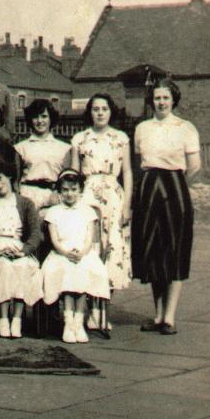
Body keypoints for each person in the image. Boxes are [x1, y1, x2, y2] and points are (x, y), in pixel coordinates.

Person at [132, 78, 201, 336]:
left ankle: (169, 317)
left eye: (165, 98)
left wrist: (175, 185)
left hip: (174, 188)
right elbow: (140, 161)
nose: (161, 102)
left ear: (173, 100)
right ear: (151, 100)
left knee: (174, 250)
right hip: (149, 188)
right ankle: (157, 314)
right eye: (157, 98)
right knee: (152, 251)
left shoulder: (185, 127)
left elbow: (194, 165)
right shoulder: (142, 128)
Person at [71, 93, 133, 331]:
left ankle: (104, 308)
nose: (99, 113)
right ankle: (91, 309)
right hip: (88, 195)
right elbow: (74, 173)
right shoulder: (80, 139)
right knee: (92, 249)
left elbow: (127, 172)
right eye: (95, 109)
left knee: (113, 249)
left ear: (110, 112)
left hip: (114, 197)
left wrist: (127, 205)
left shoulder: (120, 138)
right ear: (90, 112)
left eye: (104, 109)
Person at [0, 158, 43, 338]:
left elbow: (36, 232)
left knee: (22, 266)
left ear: (10, 176)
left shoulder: (26, 203)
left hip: (17, 246)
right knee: (4, 267)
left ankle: (17, 319)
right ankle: (3, 318)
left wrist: (23, 251)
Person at [41, 170, 110, 344]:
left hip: (83, 253)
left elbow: (89, 238)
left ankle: (78, 322)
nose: (69, 193)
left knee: (82, 270)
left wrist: (82, 252)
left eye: (73, 189)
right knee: (66, 271)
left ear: (80, 191)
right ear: (59, 192)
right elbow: (54, 240)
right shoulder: (54, 212)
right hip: (60, 253)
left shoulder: (87, 212)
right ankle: (68, 322)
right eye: (65, 190)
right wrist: (65, 253)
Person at [14, 99, 71, 214]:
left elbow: (67, 178)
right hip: (28, 194)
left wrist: (59, 194)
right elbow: (16, 179)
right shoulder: (20, 148)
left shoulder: (64, 148)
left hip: (54, 196)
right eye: (35, 117)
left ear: (51, 119)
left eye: (44, 116)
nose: (40, 121)